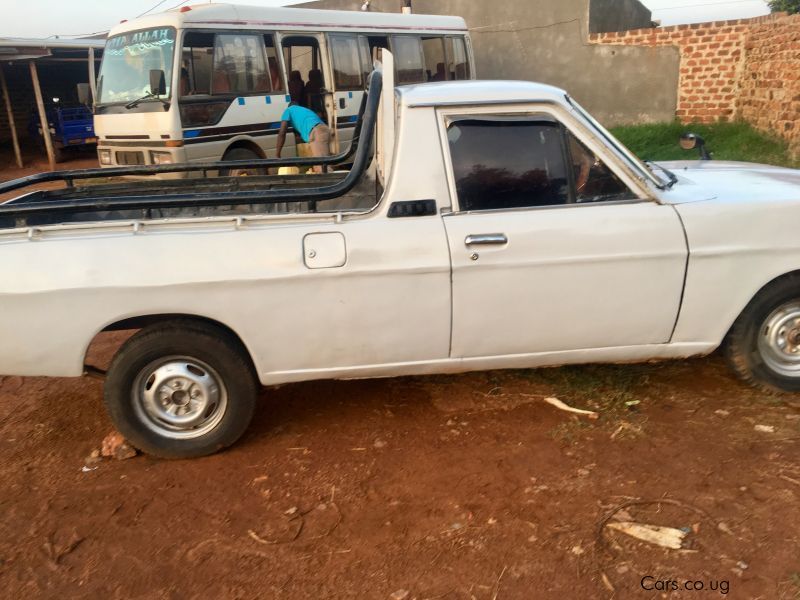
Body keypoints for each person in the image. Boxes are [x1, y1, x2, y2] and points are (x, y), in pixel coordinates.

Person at [275, 102, 330, 173]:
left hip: (316, 132)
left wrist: (277, 154)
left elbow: (282, 132)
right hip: (324, 130)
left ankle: (334, 183)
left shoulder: (288, 110)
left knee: (322, 167)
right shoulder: (305, 110)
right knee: (320, 163)